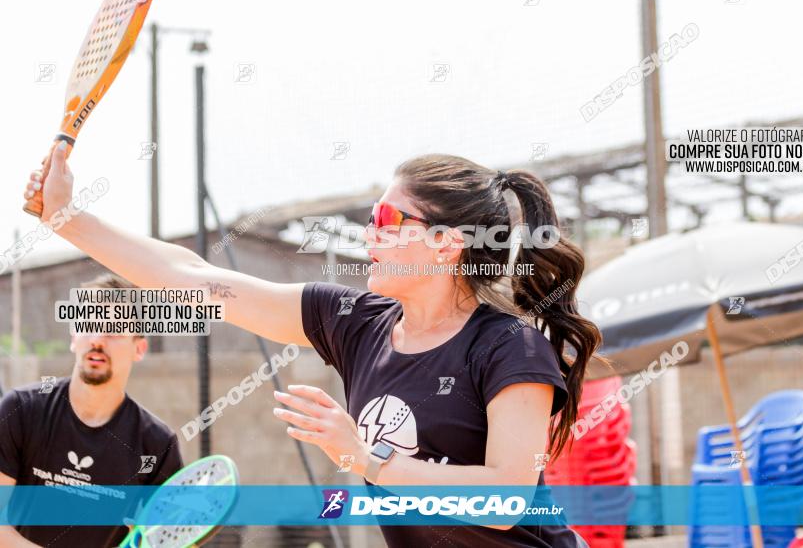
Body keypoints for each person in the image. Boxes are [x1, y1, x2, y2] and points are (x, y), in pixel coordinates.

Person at [25, 144, 601, 547]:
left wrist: (367, 457)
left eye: (386, 217)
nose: (370, 232)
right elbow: (194, 277)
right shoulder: (354, 322)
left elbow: (505, 500)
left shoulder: (509, 347)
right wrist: (68, 218)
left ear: (447, 245)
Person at [0, 273, 184, 547]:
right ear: (74, 336)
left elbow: (165, 537)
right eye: (90, 325)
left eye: (113, 330)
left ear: (139, 348)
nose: (98, 339)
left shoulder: (156, 443)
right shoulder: (21, 409)